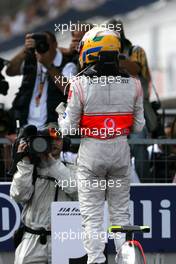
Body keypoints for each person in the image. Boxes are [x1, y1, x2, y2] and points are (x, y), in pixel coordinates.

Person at [58, 27, 145, 264]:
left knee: (92, 217)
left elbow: (68, 129)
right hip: (120, 153)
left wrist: (61, 116)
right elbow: (138, 127)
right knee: (121, 214)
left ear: (91, 51)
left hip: (92, 154)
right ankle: (127, 260)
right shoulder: (134, 84)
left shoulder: (78, 84)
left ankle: (96, 260)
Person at [10, 125, 77, 264]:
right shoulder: (30, 167)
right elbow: (19, 195)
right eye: (48, 139)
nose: (53, 143)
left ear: (64, 142)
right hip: (32, 237)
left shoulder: (73, 168)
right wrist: (25, 162)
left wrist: (51, 163)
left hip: (65, 239)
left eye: (58, 139)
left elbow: (77, 191)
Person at [6, 31, 77, 134]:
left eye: (44, 44)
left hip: (52, 126)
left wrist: (48, 65)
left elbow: (68, 90)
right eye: (38, 44)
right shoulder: (32, 60)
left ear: (55, 45)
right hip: (25, 125)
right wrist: (24, 50)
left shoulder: (67, 64)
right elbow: (10, 71)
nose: (41, 47)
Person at [108, 19, 153, 182]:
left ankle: (144, 186)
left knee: (139, 146)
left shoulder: (135, 51)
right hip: (111, 111)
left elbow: (136, 69)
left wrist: (115, 58)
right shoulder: (101, 54)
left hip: (135, 110)